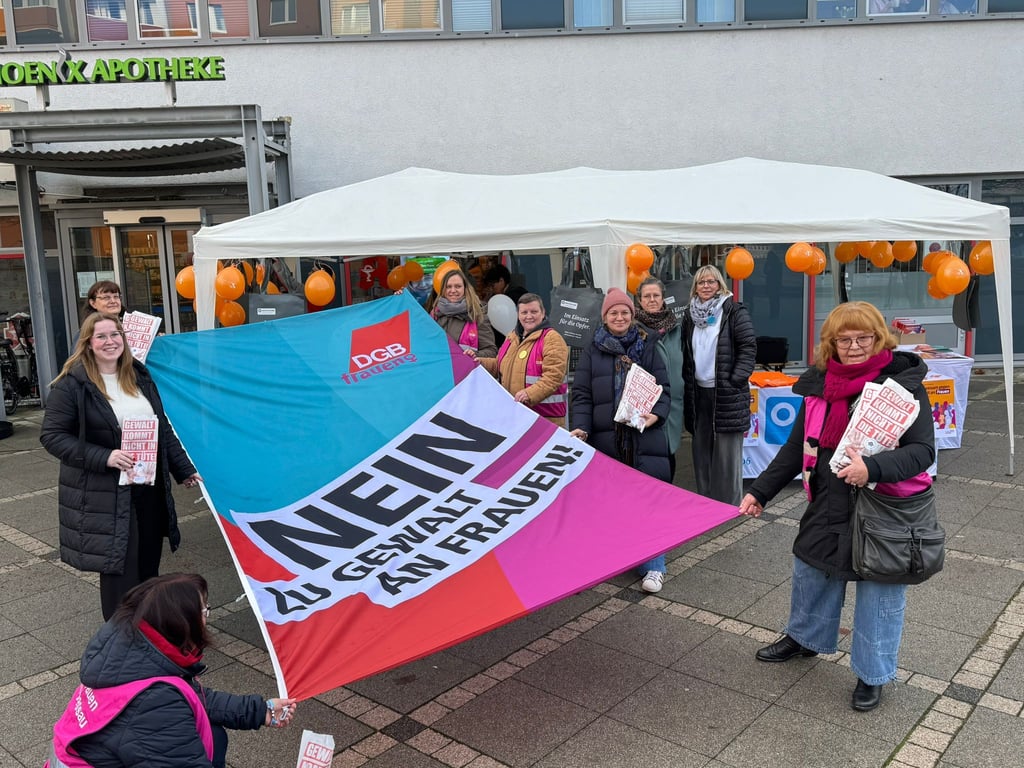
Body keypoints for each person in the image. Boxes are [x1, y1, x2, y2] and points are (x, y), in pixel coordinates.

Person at [738, 301, 935, 713]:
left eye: (863, 338)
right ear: (831, 344)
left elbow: (922, 451)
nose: (855, 346)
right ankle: (804, 638)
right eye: (844, 339)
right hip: (827, 499)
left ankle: (872, 673)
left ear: (879, 338)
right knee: (810, 569)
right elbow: (796, 448)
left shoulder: (904, 386)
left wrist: (875, 468)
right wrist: (760, 491)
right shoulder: (818, 386)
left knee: (879, 592)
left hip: (887, 509)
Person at [40, 313, 202, 620]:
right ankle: (121, 642)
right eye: (101, 336)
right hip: (107, 494)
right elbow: (52, 436)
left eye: (115, 335)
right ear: (87, 344)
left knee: (148, 565)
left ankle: (148, 633)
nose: (110, 342)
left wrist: (183, 469)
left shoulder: (138, 376)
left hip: (148, 487)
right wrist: (105, 457)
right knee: (121, 573)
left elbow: (161, 426)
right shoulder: (73, 384)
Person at [47, 573, 296, 767]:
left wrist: (260, 711)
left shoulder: (129, 654)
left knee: (213, 735)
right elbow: (165, 711)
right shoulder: (153, 703)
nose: (207, 616)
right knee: (212, 737)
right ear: (180, 623)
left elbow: (192, 699)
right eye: (203, 610)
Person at [570, 287, 671, 593]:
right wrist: (581, 428)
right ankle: (619, 557)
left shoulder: (649, 345)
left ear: (632, 315)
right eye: (613, 312)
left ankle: (654, 567)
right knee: (610, 504)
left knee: (647, 503)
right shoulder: (592, 350)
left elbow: (663, 388)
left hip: (643, 438)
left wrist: (657, 415)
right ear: (605, 317)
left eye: (624, 312)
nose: (619, 317)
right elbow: (582, 395)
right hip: (605, 438)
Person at [682, 264, 756, 506]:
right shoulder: (689, 315)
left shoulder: (733, 311)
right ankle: (706, 498)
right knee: (701, 446)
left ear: (719, 284)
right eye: (701, 282)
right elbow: (686, 350)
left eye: (711, 281)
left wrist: (735, 379)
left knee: (727, 450)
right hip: (698, 390)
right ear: (695, 286)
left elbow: (748, 347)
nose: (706, 286)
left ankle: (728, 502)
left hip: (726, 390)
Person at [478, 293, 569, 428]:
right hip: (516, 417)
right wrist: (479, 361)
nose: (529, 316)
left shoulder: (552, 339)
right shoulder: (512, 337)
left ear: (543, 313)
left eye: (534, 312)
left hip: (545, 421)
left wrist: (529, 394)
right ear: (518, 315)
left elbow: (553, 378)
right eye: (524, 312)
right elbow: (499, 365)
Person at [635, 276, 684, 481]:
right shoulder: (634, 329)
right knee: (649, 455)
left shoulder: (677, 328)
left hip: (673, 402)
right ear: (639, 300)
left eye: (656, 295)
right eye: (647, 296)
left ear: (663, 298)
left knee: (670, 452)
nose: (652, 299)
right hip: (646, 403)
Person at [426, 268, 497, 358]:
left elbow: (491, 351)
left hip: (465, 370)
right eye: (448, 286)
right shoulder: (434, 314)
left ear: (465, 288)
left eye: (458, 286)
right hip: (439, 370)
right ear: (443, 289)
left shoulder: (477, 315)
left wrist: (475, 355)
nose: (453, 290)